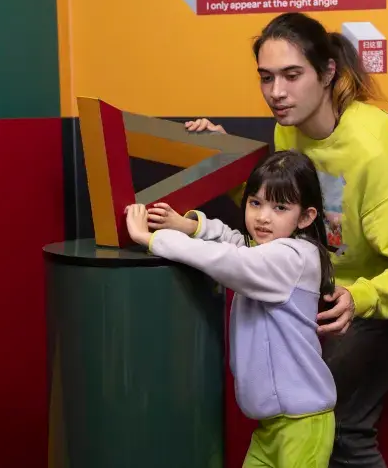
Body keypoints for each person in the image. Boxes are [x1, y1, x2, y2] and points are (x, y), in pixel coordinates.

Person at [171, 12, 388, 467]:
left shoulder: (376, 156)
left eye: (292, 75)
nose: (276, 92)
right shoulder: (289, 128)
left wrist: (360, 297)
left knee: (337, 419)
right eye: (266, 77)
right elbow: (288, 213)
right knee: (295, 411)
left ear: (328, 72)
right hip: (328, 286)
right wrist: (227, 160)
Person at [125, 150, 337, 468]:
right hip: (272, 425)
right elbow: (235, 243)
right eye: (255, 203)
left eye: (280, 207)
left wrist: (151, 238)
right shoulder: (268, 251)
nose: (263, 217)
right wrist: (189, 225)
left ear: (305, 217)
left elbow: (229, 259)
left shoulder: (293, 257)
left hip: (302, 424)